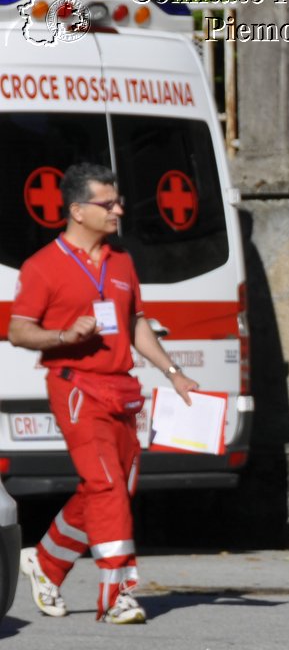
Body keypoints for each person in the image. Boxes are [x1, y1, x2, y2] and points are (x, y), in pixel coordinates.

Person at [10, 163, 197, 625]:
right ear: (77, 210)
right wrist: (62, 336)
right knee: (107, 487)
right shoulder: (42, 266)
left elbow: (135, 323)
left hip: (122, 391)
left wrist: (174, 372)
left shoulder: (121, 262)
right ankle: (118, 593)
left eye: (118, 202)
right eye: (107, 203)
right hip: (76, 388)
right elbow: (18, 330)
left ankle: (45, 562)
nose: (119, 209)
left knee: (110, 489)